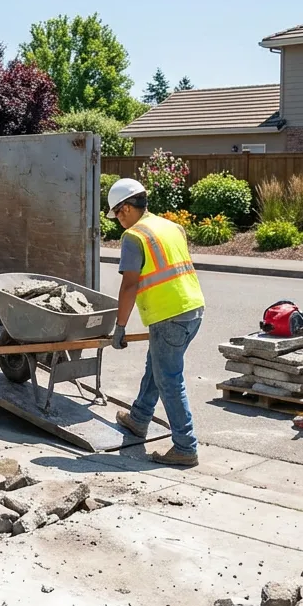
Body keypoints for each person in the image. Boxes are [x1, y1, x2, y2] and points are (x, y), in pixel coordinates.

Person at [106, 177, 207, 467]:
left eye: (117, 215)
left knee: (169, 380)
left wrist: (120, 326)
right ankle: (139, 418)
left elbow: (129, 285)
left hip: (169, 316)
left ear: (125, 209)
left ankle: (185, 446)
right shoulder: (171, 226)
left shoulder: (134, 236)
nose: (118, 222)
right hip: (193, 308)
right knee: (158, 367)